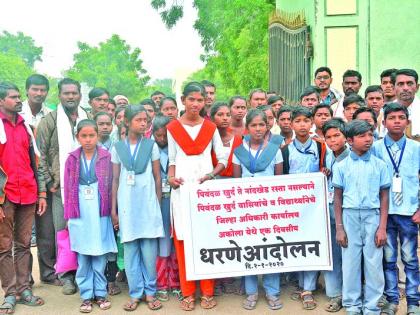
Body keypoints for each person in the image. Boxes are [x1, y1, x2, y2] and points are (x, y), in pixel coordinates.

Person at [166, 82, 227, 311]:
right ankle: (188, 292)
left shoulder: (210, 128)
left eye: (200, 100)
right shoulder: (174, 128)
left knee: (206, 239)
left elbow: (221, 159)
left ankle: (208, 291)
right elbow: (172, 161)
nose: (195, 104)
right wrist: (171, 179)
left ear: (204, 102)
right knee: (183, 241)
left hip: (205, 191)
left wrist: (210, 174)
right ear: (183, 100)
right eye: (191, 99)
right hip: (182, 192)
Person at [333, 119, 391, 315]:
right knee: (350, 261)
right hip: (349, 216)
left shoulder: (380, 165)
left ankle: (372, 305)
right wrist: (340, 227)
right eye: (362, 136)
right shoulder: (340, 166)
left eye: (370, 135)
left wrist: (382, 227)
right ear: (349, 140)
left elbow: (384, 197)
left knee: (374, 262)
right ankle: (352, 304)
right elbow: (338, 197)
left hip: (372, 216)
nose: (368, 139)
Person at [37, 78, 88, 295]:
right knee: (63, 231)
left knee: (85, 229)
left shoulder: (88, 118)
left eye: (74, 93)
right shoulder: (50, 120)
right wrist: (50, 181)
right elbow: (40, 155)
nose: (70, 97)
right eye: (66, 93)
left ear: (80, 95)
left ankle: (85, 273)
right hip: (60, 188)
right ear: (59, 95)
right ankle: (67, 276)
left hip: (86, 185)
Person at [111, 105, 164, 311]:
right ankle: (135, 293)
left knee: (149, 254)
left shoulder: (151, 146)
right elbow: (115, 180)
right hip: (127, 208)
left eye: (145, 120)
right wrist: (114, 210)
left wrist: (157, 205)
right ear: (127, 122)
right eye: (138, 120)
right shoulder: (118, 148)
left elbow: (158, 177)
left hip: (148, 206)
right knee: (131, 252)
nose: (143, 123)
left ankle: (150, 292)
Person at [0, 82, 45, 314]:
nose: (18, 100)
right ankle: (9, 293)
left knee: (24, 244)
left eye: (19, 96)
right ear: (0, 101)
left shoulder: (27, 127)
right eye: (13, 97)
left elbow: (35, 162)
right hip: (4, 196)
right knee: (4, 246)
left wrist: (41, 193)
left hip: (27, 192)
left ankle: (24, 289)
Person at [63, 119, 117, 313]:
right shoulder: (72, 159)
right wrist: (69, 215)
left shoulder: (105, 156)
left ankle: (100, 293)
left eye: (91, 135)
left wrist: (112, 211)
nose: (87, 140)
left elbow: (111, 185)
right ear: (78, 137)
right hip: (79, 212)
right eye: (83, 136)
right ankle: (86, 295)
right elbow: (68, 188)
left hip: (100, 211)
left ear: (97, 136)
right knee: (83, 255)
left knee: (100, 253)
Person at [372, 103, 420, 315]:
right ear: (384, 123)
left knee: (410, 258)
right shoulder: (375, 148)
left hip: (409, 212)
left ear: (408, 122)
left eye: (402, 117)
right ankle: (392, 300)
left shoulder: (416, 148)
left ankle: (413, 302)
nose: (397, 121)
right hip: (385, 213)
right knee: (388, 259)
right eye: (392, 118)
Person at [232, 109, 283, 310]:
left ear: (267, 126)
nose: (258, 128)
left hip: (270, 208)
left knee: (271, 248)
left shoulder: (275, 150)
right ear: (247, 128)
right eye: (254, 125)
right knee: (249, 248)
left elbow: (279, 181)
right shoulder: (239, 151)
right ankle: (252, 291)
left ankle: (272, 291)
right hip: (247, 208)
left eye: (262, 124)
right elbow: (236, 182)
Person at [281, 106, 326, 310]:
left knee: (312, 242)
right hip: (292, 206)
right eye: (297, 121)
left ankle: (308, 287)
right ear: (290, 124)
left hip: (315, 206)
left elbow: (326, 171)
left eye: (306, 121)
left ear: (312, 123)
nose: (302, 125)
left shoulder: (321, 147)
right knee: (296, 243)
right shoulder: (285, 149)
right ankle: (300, 282)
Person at [21, 74, 57, 286]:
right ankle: (25, 277)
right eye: (35, 89)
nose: (39, 93)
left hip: (43, 178)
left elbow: (50, 151)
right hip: (23, 179)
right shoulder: (17, 113)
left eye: (43, 90)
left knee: (46, 231)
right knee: (23, 233)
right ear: (27, 90)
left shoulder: (50, 116)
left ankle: (48, 272)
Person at [152, 115, 182, 302]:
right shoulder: (149, 149)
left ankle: (177, 283)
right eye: (159, 135)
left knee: (175, 241)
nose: (162, 139)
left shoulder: (177, 149)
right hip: (158, 201)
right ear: (152, 133)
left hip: (175, 199)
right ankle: (162, 283)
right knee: (162, 241)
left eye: (165, 136)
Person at [321, 118, 349, 313]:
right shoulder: (329, 156)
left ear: (345, 136)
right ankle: (335, 293)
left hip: (347, 211)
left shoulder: (353, 156)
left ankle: (350, 294)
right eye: (328, 137)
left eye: (336, 136)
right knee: (333, 253)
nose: (333, 141)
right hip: (329, 208)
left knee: (350, 254)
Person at [210, 102, 242, 180]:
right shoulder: (208, 140)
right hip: (212, 181)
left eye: (228, 115)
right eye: (220, 114)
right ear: (212, 118)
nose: (225, 118)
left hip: (234, 183)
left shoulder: (239, 139)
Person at [393, 69, 420, 142]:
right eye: (401, 84)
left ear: (417, 87)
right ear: (394, 88)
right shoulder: (385, 111)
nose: (405, 88)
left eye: (409, 83)